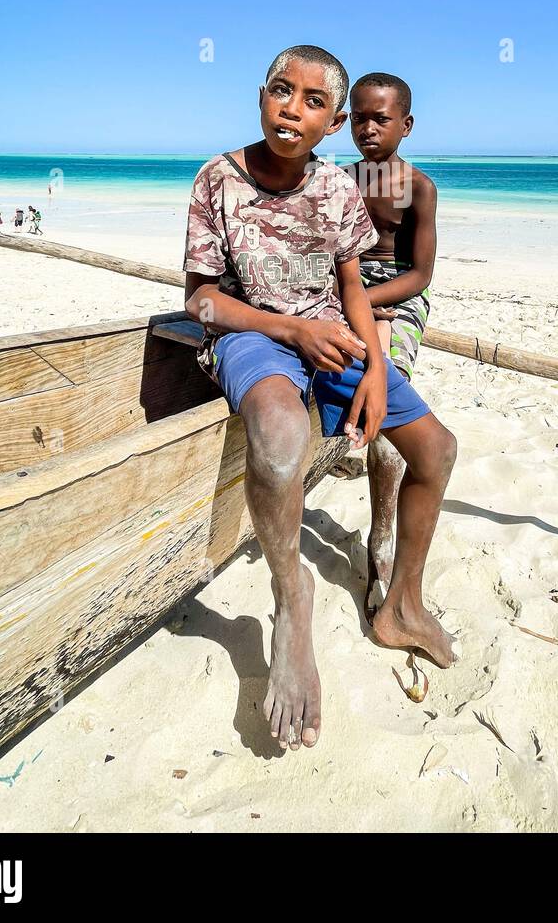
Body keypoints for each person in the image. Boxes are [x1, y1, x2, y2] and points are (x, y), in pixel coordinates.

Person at [183, 44, 458, 752]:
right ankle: (289, 600)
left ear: (330, 123)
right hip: (256, 334)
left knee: (434, 450)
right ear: (260, 95)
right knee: (278, 433)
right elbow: (202, 302)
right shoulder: (219, 178)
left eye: (311, 101)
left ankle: (399, 603)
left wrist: (369, 369)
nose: (291, 108)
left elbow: (349, 286)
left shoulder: (337, 187)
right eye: (281, 90)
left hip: (334, 332)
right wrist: (287, 328)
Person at [343, 73, 437, 621]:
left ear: (406, 124)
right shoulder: (334, 180)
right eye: (358, 117)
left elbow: (420, 274)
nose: (368, 128)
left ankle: (381, 543)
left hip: (396, 294)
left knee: (387, 410)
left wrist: (371, 302)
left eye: (381, 118)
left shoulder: (418, 187)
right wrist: (350, 300)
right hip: (346, 288)